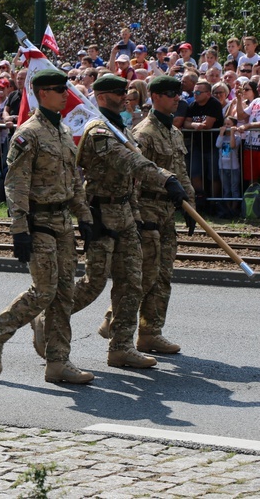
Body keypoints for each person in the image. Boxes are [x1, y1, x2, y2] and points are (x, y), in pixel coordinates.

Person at [49, 75, 189, 369]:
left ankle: (121, 347)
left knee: (132, 283)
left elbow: (129, 181)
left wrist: (141, 213)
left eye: (124, 91)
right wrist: (166, 179)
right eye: (116, 92)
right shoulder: (99, 131)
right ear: (100, 97)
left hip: (125, 213)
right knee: (93, 283)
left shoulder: (120, 127)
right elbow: (130, 163)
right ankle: (48, 318)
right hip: (101, 214)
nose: (124, 96)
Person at [0, 69, 95, 384]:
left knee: (64, 294)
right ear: (42, 93)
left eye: (65, 89)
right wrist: (19, 230)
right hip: (39, 221)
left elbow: (74, 181)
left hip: (63, 223)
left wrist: (83, 216)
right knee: (44, 290)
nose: (64, 95)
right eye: (59, 90)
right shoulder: (28, 133)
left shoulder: (62, 132)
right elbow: (15, 185)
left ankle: (58, 362)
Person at [99, 76, 196, 354]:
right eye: (169, 93)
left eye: (178, 93)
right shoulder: (144, 133)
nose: (177, 98)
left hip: (168, 211)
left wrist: (190, 206)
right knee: (143, 275)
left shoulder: (174, 132)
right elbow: (135, 178)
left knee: (163, 274)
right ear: (154, 96)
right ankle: (112, 321)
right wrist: (139, 216)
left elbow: (181, 173)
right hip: (148, 211)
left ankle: (151, 331)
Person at [184, 79, 224, 209]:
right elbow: (186, 123)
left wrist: (195, 125)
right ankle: (200, 199)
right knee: (195, 173)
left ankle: (213, 202)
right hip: (197, 145)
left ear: (208, 94)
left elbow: (208, 125)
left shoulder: (214, 104)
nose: (195, 94)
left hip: (213, 145)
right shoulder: (192, 105)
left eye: (198, 92)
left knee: (213, 175)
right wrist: (195, 125)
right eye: (194, 91)